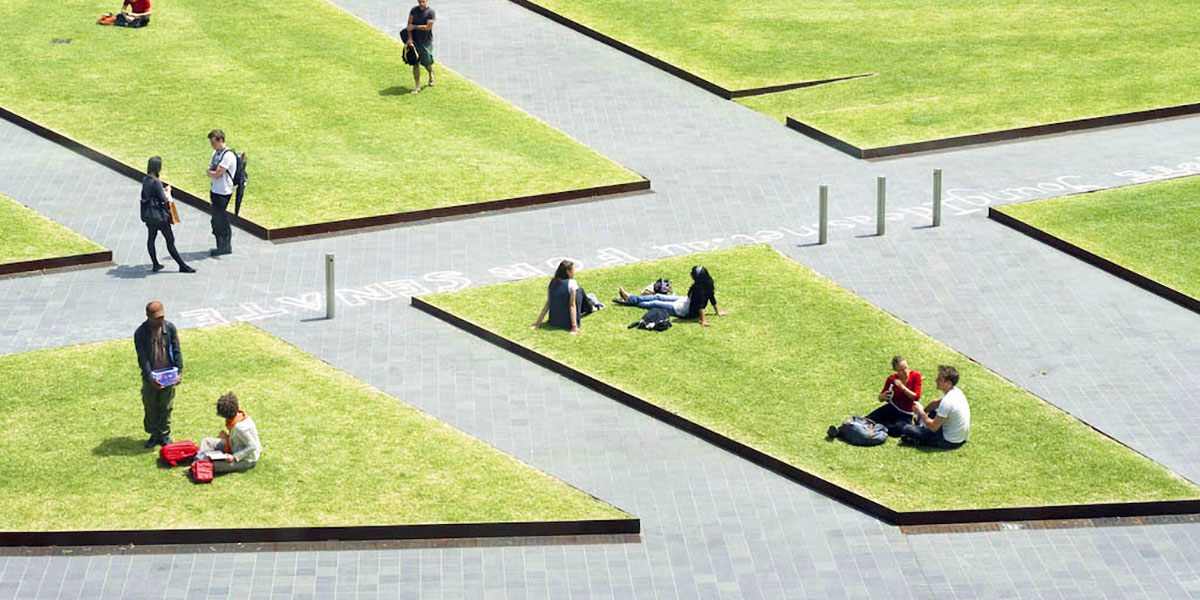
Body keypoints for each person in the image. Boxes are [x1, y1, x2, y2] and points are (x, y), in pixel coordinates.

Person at [133, 301, 182, 448]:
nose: (161, 320)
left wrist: (179, 372)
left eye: (162, 317)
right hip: (152, 377)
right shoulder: (141, 333)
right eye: (157, 318)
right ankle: (154, 434)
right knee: (151, 406)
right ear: (148, 317)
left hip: (168, 375)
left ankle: (164, 434)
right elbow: (142, 358)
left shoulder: (170, 328)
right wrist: (150, 378)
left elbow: (177, 350)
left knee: (166, 406)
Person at [618, 266, 728, 326]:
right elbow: (712, 298)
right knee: (658, 296)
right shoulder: (708, 282)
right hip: (686, 301)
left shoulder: (700, 290)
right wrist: (717, 312)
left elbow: (701, 307)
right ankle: (631, 298)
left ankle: (630, 299)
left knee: (655, 303)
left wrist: (703, 321)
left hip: (685, 310)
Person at [140, 156, 195, 273]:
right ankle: (182, 265)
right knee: (170, 240)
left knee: (151, 238)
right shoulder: (156, 182)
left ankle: (155, 264)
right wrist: (168, 191)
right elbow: (163, 200)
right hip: (160, 217)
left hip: (149, 215)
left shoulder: (145, 179)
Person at [901, 365, 970, 449]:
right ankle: (920, 431)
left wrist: (921, 413)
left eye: (939, 379)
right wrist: (924, 411)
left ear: (948, 383)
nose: (936, 380)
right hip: (959, 437)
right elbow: (936, 403)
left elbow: (933, 427)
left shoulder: (947, 402)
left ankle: (918, 440)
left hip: (948, 441)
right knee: (933, 413)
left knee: (907, 429)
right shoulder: (956, 392)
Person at [197, 392, 262, 474]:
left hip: (246, 459)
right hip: (234, 445)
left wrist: (234, 457)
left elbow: (253, 446)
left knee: (213, 465)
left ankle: (199, 463)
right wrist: (227, 437)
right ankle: (199, 461)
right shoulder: (240, 416)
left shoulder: (239, 427)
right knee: (207, 441)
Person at [864, 356, 921, 436]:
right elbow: (880, 398)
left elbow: (916, 397)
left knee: (897, 430)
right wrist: (882, 396)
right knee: (868, 419)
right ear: (896, 370)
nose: (905, 372)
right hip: (892, 407)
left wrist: (902, 387)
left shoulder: (915, 376)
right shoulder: (892, 379)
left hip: (906, 413)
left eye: (906, 368)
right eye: (901, 370)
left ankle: (880, 426)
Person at [205, 130, 237, 256]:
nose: (212, 146)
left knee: (220, 218)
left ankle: (225, 245)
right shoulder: (216, 153)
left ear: (221, 140)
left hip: (223, 191)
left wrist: (211, 172)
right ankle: (221, 245)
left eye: (213, 143)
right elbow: (212, 169)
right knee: (216, 219)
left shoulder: (228, 156)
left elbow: (218, 173)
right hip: (215, 189)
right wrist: (212, 172)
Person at [532, 260, 587, 334]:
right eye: (573, 269)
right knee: (580, 290)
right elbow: (572, 305)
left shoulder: (551, 283)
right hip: (567, 324)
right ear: (568, 271)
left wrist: (538, 324)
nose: (574, 271)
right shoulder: (572, 283)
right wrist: (574, 327)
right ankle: (591, 307)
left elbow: (548, 303)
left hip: (554, 322)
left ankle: (590, 306)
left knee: (577, 293)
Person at [406, 0, 436, 93]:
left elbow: (428, 27)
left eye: (423, 1)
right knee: (415, 63)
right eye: (419, 2)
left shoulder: (431, 12)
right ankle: (417, 86)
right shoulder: (414, 10)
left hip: (426, 41)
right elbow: (409, 25)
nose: (421, 4)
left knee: (426, 62)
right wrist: (410, 38)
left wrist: (415, 27)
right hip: (415, 41)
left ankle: (430, 73)